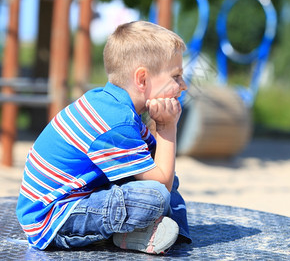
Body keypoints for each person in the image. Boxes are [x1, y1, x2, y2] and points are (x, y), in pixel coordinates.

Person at [16, 21, 191, 254]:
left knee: (165, 179)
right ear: (142, 79)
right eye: (176, 76)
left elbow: (157, 165)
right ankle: (143, 233)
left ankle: (164, 232)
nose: (184, 85)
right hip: (54, 218)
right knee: (155, 195)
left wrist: (159, 125)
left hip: (81, 201)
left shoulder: (115, 105)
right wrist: (167, 127)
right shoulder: (114, 122)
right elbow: (161, 184)